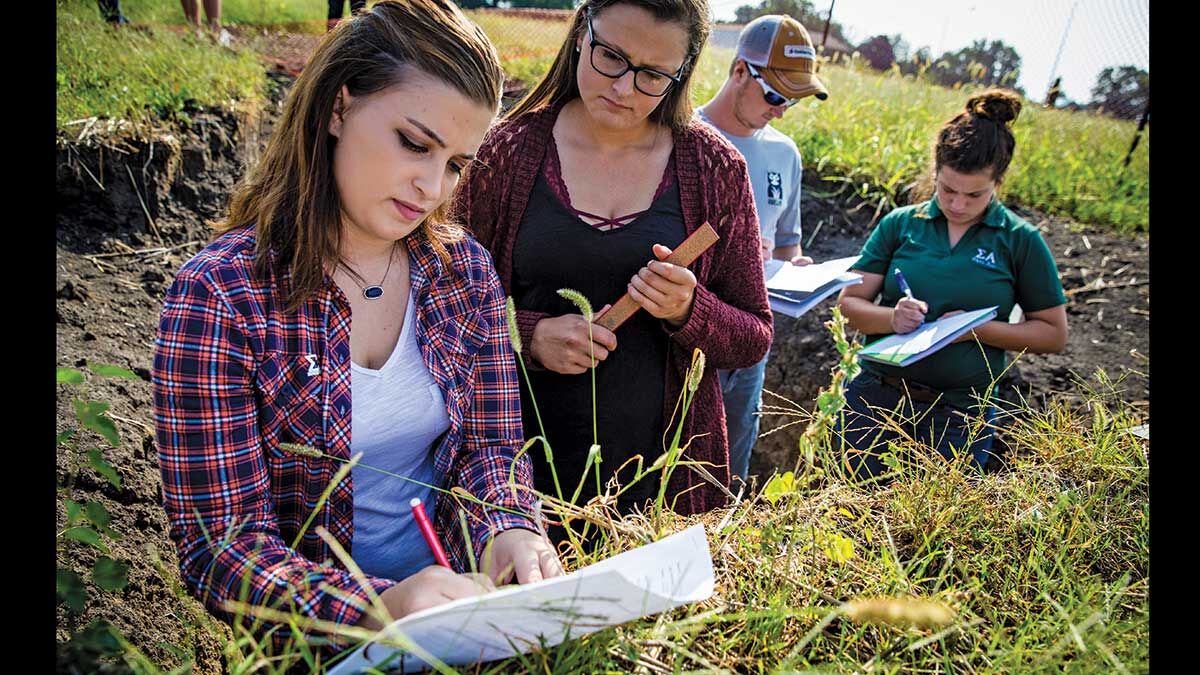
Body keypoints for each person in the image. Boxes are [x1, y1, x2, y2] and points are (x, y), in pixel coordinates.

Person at [152, 0, 560, 652]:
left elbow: (491, 449)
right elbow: (221, 542)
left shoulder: (465, 275)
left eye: (455, 163)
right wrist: (378, 606)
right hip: (313, 647)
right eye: (414, 143)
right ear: (339, 107)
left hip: (465, 629)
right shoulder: (221, 297)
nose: (431, 184)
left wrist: (509, 527)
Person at [454, 0, 773, 524]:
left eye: (651, 75)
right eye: (611, 56)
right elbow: (442, 310)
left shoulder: (716, 169)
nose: (623, 87)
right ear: (582, 33)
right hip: (514, 480)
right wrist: (526, 333)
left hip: (663, 491)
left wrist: (689, 309)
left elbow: (753, 335)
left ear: (681, 72)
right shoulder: (504, 154)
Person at [835, 89, 1068, 479]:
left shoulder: (1020, 240)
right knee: (847, 515)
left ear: (998, 180)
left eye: (974, 194)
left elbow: (1052, 334)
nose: (958, 204)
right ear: (935, 172)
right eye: (947, 190)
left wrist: (976, 331)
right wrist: (893, 318)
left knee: (933, 533)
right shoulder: (901, 224)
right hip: (875, 401)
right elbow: (849, 304)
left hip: (960, 417)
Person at [696, 14, 828, 485]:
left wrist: (797, 269)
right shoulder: (684, 137)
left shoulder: (785, 155)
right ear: (737, 72)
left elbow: (788, 243)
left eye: (792, 100)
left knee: (728, 469)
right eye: (774, 95)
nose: (780, 110)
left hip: (750, 345)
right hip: (685, 335)